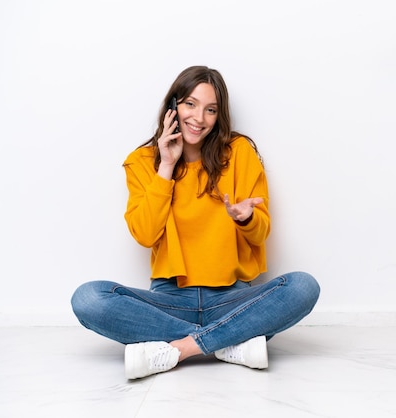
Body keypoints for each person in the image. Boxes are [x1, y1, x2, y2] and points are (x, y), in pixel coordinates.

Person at [71, 66, 320, 380]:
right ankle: (228, 342)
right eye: (190, 104)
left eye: (210, 110)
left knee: (303, 286)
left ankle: (181, 348)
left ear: (219, 116)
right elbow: (145, 235)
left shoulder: (240, 153)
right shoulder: (142, 163)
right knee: (87, 298)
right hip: (168, 301)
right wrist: (166, 166)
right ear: (173, 106)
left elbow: (261, 234)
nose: (199, 118)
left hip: (231, 298)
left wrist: (247, 218)